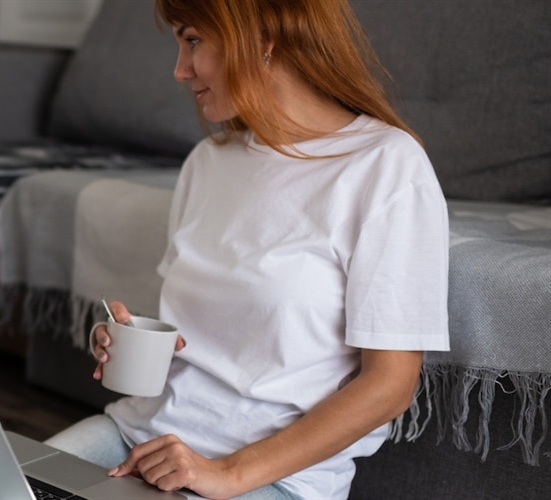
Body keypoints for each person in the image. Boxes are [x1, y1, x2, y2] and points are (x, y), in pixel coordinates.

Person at [44, 0, 450, 498]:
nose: (179, 70)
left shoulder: (386, 166)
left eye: (192, 40)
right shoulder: (208, 161)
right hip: (138, 439)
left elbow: (390, 386)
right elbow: (207, 340)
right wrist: (133, 343)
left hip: (271, 479)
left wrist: (228, 472)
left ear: (263, 37)